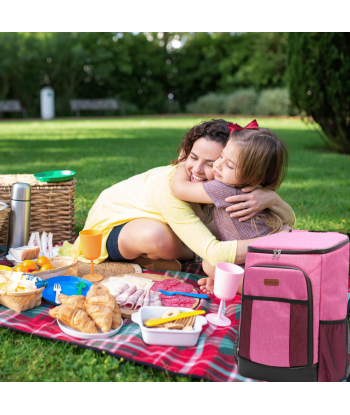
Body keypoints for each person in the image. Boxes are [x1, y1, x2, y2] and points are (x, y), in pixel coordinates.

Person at [71, 119, 295, 271]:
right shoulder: (173, 188)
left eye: (211, 162)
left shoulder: (231, 183)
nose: (197, 170)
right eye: (193, 157)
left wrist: (272, 199)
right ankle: (171, 254)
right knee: (157, 236)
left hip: (168, 224)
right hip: (109, 230)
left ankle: (156, 258)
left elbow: (285, 221)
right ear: (185, 153)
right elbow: (214, 253)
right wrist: (278, 240)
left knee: (226, 229)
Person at [171, 120, 291, 294]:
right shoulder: (257, 190)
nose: (218, 165)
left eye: (229, 165)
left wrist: (183, 162)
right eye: (221, 156)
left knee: (210, 264)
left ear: (254, 175)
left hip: (259, 260)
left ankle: (268, 292)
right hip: (267, 256)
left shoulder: (223, 189)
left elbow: (178, 189)